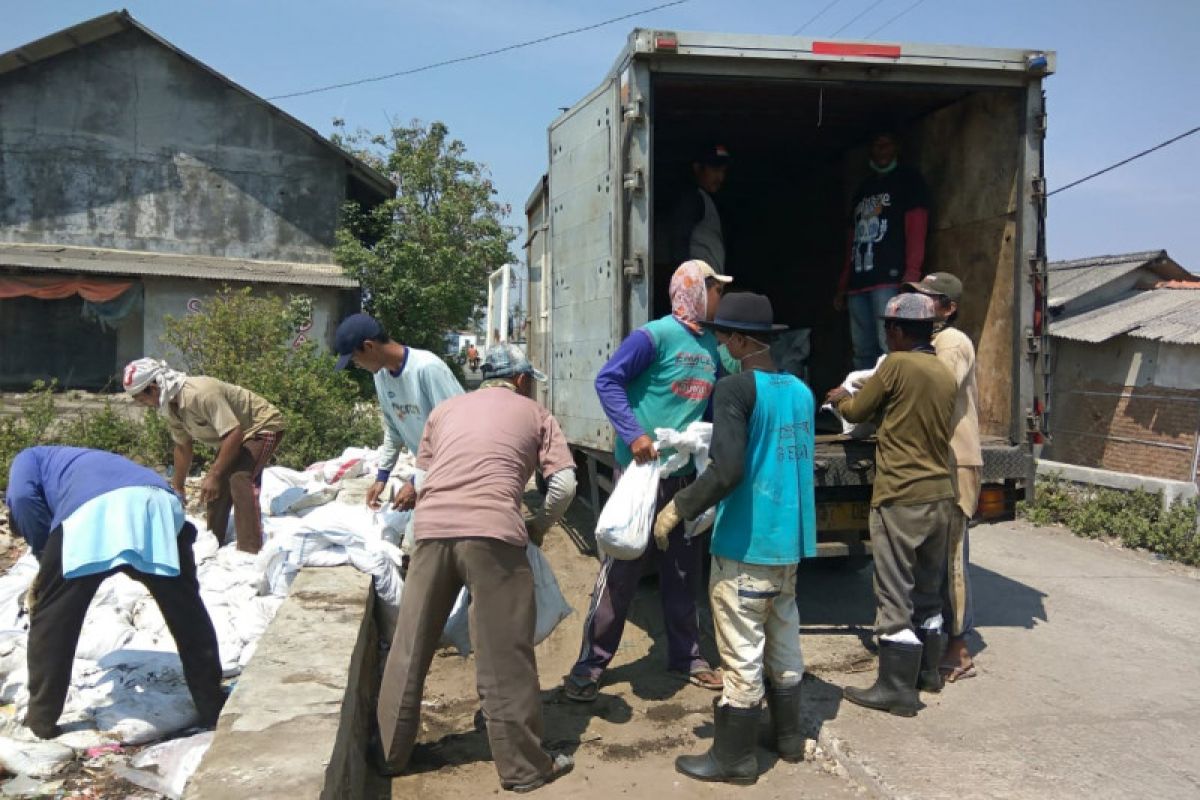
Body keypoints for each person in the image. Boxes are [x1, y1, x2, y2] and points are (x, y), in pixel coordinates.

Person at [374, 343, 577, 793]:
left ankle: (388, 754)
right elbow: (563, 484)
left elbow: (423, 480)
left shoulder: (445, 412)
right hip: (493, 534)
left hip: (431, 531)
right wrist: (539, 526)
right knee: (503, 654)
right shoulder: (534, 414)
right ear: (522, 380)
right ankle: (524, 768)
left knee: (410, 645)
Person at [653, 293, 817, 785]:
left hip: (746, 543)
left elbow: (727, 470)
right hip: (789, 543)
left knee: (742, 650)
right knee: (784, 639)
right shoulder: (801, 392)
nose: (719, 345)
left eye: (724, 337)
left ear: (742, 341)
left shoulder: (734, 390)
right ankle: (788, 739)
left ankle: (733, 760)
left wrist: (677, 508)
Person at [562, 260, 730, 702]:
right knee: (622, 566)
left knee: (683, 570)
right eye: (715, 289)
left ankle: (688, 656)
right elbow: (608, 380)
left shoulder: (714, 347)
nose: (720, 298)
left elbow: (713, 407)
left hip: (685, 475)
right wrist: (633, 434)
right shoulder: (652, 337)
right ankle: (591, 663)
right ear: (693, 290)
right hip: (641, 473)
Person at [4, 446, 225, 739]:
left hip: (93, 517)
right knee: (187, 612)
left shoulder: (27, 457)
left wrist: (45, 555)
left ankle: (41, 721)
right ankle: (213, 705)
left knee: (52, 620)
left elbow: (21, 500)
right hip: (157, 503)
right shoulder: (77, 460)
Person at [825, 293, 956, 716]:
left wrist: (836, 398)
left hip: (901, 494)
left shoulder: (896, 365)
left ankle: (896, 690)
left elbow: (860, 407)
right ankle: (928, 674)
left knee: (893, 590)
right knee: (928, 591)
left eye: (888, 330)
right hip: (941, 494)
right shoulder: (943, 371)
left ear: (897, 331)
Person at [904, 272, 982, 684]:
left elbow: (938, 390)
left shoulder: (951, 342)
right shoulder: (932, 343)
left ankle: (959, 647)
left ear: (948, 308)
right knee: (932, 556)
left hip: (956, 458)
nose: (920, 305)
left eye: (929, 299)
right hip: (939, 457)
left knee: (951, 558)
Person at [124, 359, 284, 554]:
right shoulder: (171, 409)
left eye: (142, 399)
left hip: (261, 426)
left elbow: (234, 433)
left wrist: (214, 475)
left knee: (239, 478)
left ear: (153, 388)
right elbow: (183, 447)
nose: (144, 405)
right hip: (234, 437)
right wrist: (178, 486)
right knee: (216, 488)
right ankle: (214, 541)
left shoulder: (200, 393)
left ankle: (250, 550)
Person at [333, 313, 463, 517]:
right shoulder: (382, 377)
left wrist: (415, 482)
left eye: (355, 360)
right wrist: (382, 476)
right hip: (430, 472)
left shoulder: (427, 368)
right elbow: (394, 429)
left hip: (457, 471)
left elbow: (457, 433)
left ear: (369, 346)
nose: (358, 366)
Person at [834, 131, 930, 369]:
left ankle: (891, 404)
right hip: (859, 283)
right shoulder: (864, 189)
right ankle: (866, 404)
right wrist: (844, 284)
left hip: (889, 280)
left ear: (896, 147)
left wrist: (911, 274)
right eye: (877, 146)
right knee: (862, 352)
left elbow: (917, 227)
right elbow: (852, 238)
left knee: (889, 348)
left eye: (886, 145)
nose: (882, 151)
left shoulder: (909, 180)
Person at [668, 145, 731, 274]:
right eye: (714, 170)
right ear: (697, 168)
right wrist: (686, 281)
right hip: (697, 284)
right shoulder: (693, 199)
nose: (720, 177)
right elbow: (679, 242)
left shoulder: (708, 201)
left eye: (723, 171)